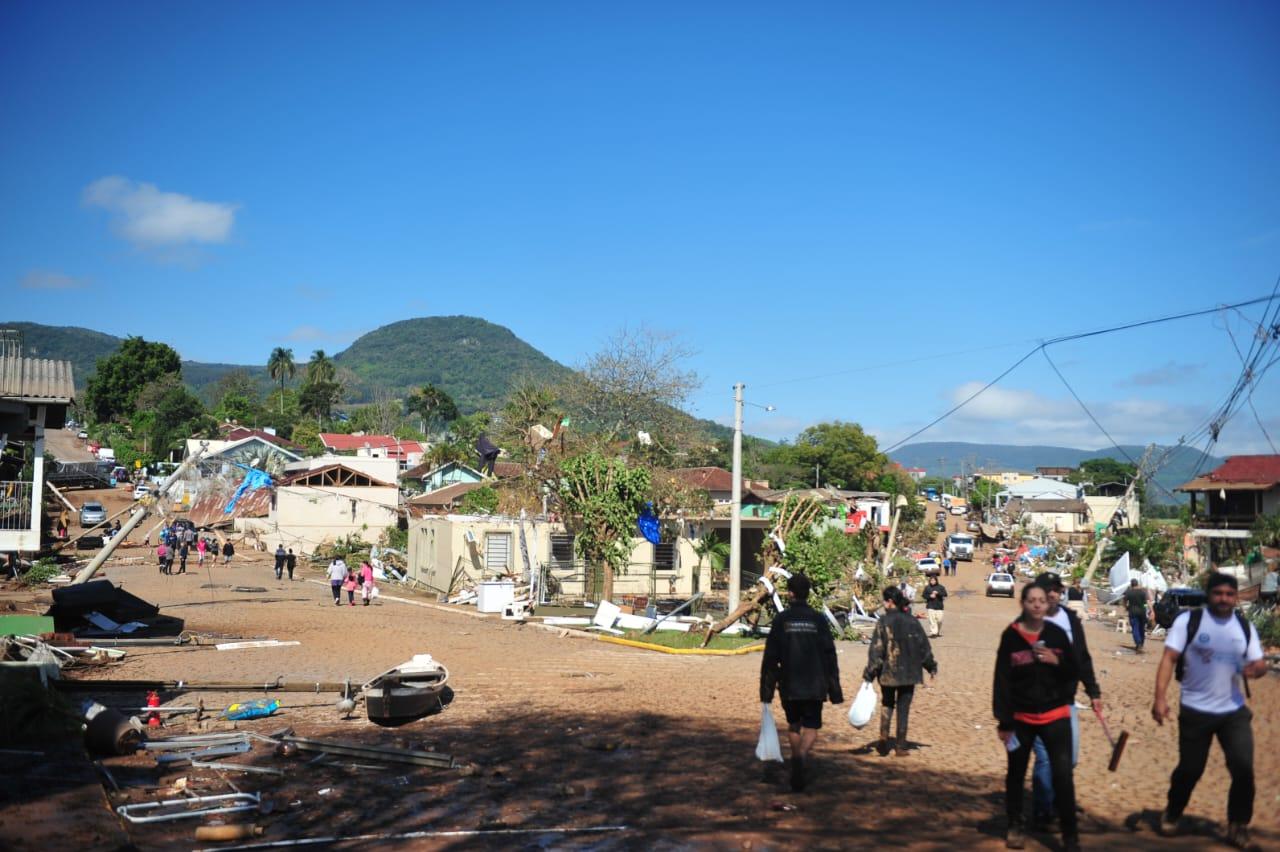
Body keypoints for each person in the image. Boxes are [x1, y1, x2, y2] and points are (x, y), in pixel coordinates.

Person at [1152, 573, 1266, 848]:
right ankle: (1173, 811)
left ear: (1236, 597)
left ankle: (1238, 825)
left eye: (1229, 594)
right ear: (1209, 594)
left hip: (1233, 711)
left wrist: (1257, 670)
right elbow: (1169, 658)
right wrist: (1160, 698)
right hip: (1195, 709)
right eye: (1218, 593)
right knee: (1191, 769)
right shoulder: (1188, 622)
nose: (1224, 599)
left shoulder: (1244, 627)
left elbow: (1259, 663)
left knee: (1242, 769)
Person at [993, 583, 1080, 851]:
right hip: (1021, 720)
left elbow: (1074, 670)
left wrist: (1057, 663)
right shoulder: (1011, 636)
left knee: (1063, 776)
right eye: (1032, 600)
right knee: (1016, 775)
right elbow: (1002, 681)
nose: (1037, 605)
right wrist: (1004, 720)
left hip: (1056, 717)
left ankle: (1069, 835)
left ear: (1047, 604)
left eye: (1041, 600)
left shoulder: (1056, 635)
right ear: (1023, 604)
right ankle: (1015, 826)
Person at [1028, 572, 1103, 832]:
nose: (1053, 594)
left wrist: (1093, 691)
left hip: (1066, 700)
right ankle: (1042, 811)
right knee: (1047, 758)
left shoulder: (1070, 619)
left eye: (1057, 590)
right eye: (1048, 590)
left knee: (1068, 759)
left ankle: (1056, 803)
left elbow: (1082, 656)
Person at [759, 573, 843, 792]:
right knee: (812, 726)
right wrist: (834, 689)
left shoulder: (781, 620)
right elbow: (829, 654)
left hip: (789, 684)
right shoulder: (818, 620)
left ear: (790, 593)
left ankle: (796, 757)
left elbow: (770, 657)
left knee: (794, 724)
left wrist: (766, 690)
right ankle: (802, 757)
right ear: (807, 593)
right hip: (816, 683)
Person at [865, 585, 937, 756]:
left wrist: (870, 672)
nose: (883, 604)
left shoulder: (883, 622)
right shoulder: (912, 621)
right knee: (903, 708)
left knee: (887, 703)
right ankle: (900, 745)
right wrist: (931, 666)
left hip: (888, 672)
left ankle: (883, 740)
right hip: (909, 673)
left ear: (890, 602)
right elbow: (923, 648)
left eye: (884, 600)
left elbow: (877, 650)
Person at [1123, 578, 1151, 652]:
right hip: (1142, 612)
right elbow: (1148, 602)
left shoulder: (1129, 592)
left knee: (1135, 628)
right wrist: (1152, 610)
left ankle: (1138, 643)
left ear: (1131, 584)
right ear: (1137, 584)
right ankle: (1141, 643)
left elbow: (1124, 601)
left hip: (1132, 612)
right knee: (1141, 628)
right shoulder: (1143, 592)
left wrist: (1126, 607)